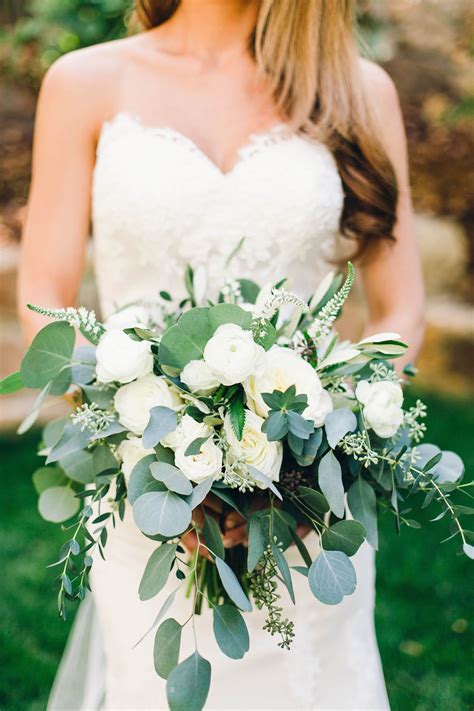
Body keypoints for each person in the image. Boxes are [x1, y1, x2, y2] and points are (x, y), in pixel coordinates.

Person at [19, 1, 425, 708]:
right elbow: (43, 301)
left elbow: (402, 308)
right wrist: (161, 456)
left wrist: (314, 458)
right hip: (149, 503)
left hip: (309, 513)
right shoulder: (85, 82)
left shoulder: (358, 90)